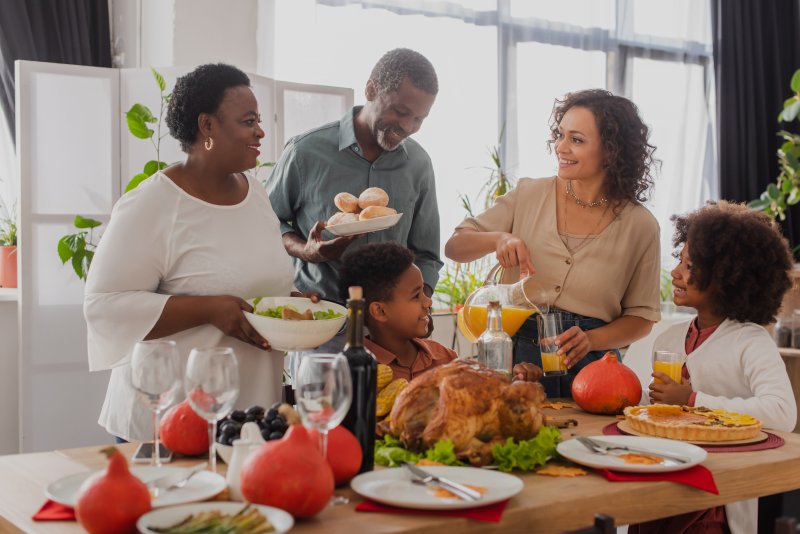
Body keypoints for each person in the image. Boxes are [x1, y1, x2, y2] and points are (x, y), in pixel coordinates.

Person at [84, 63, 314, 441]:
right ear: (207, 126)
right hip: (164, 423)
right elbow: (104, 306)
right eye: (248, 121)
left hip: (244, 422)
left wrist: (292, 307)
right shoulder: (152, 204)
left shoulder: (255, 193)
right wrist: (209, 309)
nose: (260, 131)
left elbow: (249, 284)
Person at [445, 89, 661, 398]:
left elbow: (641, 319)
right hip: (517, 358)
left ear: (611, 151)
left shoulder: (641, 225)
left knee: (585, 442)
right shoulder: (529, 195)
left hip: (593, 368)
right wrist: (499, 238)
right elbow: (455, 246)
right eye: (560, 135)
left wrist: (592, 339)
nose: (561, 147)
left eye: (577, 140)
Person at [633, 201, 797, 534]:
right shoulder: (670, 337)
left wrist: (693, 401)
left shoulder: (751, 342)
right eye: (679, 260)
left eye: (689, 265)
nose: (675, 273)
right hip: (658, 485)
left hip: (714, 501)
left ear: (724, 277)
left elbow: (782, 413)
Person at [266, 47, 443, 316]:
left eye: (419, 118)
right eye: (400, 111)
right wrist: (307, 251)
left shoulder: (418, 163)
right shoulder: (305, 152)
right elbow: (266, 223)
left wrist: (422, 304)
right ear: (371, 90)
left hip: (391, 328)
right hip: (320, 319)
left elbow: (427, 255)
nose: (408, 126)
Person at [338, 242, 542, 382]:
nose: (428, 302)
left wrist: (513, 380)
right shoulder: (352, 370)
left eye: (425, 292)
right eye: (416, 295)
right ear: (380, 311)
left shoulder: (444, 358)